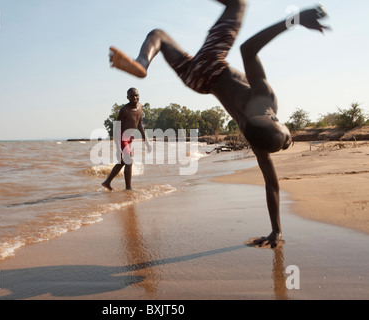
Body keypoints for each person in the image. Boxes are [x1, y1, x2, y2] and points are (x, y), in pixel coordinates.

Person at [108, 0, 329, 247]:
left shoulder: (264, 98)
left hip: (211, 64)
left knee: (239, 3)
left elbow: (248, 49)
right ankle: (142, 63)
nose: (290, 136)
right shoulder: (253, 136)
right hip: (197, 82)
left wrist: (295, 20)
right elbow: (271, 184)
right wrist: (276, 230)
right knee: (157, 34)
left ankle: (143, 62)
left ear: (273, 119)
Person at [102, 88, 152, 191]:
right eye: (132, 96)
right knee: (129, 161)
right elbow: (116, 128)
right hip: (121, 136)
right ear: (127, 97)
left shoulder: (140, 107)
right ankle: (128, 188)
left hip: (129, 137)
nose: (134, 97)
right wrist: (117, 148)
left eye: (136, 95)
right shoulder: (124, 110)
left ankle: (107, 182)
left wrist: (146, 142)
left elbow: (140, 125)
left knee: (123, 162)